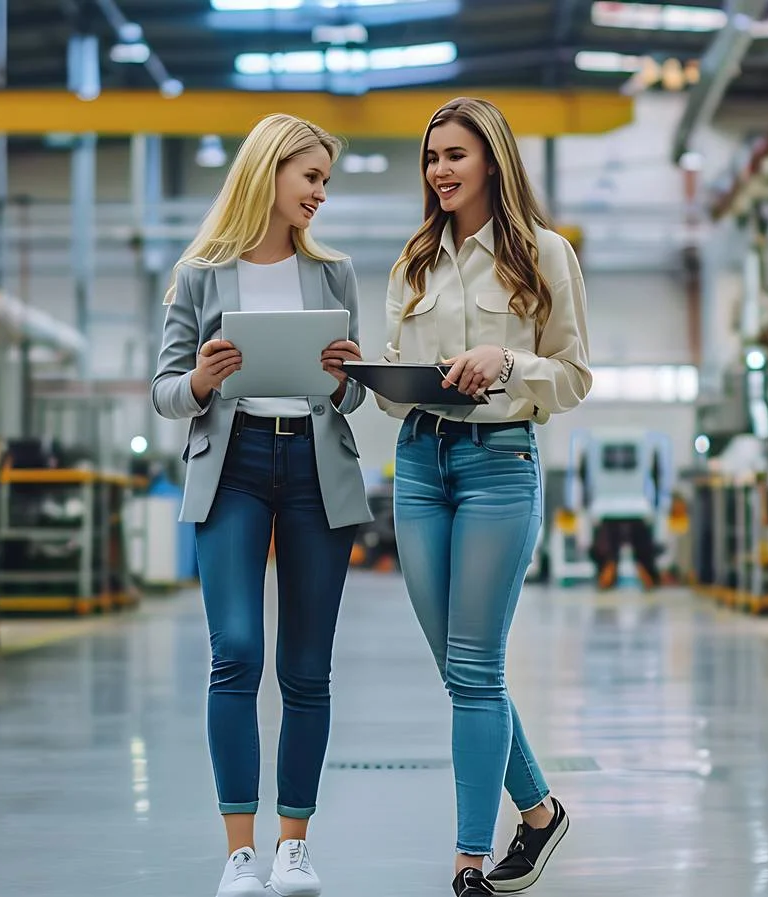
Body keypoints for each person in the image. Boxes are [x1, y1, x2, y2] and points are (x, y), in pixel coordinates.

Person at [376, 96, 592, 897]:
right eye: (432, 158)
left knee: (474, 666)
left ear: (492, 161)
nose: (440, 171)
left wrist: (508, 363)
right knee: (461, 671)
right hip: (420, 466)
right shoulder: (412, 265)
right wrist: (369, 376)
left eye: (455, 155)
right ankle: (538, 812)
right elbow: (397, 395)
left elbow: (571, 377)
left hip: (501, 463)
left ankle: (469, 860)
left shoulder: (544, 254)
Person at [151, 113, 372, 897]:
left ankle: (293, 846)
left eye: (324, 181)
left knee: (307, 666)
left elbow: (351, 396)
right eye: (310, 177)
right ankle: (240, 853)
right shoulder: (201, 272)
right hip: (233, 464)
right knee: (236, 651)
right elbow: (166, 391)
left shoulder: (335, 272)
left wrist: (349, 377)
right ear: (268, 172)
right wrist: (204, 381)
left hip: (315, 468)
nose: (319, 193)